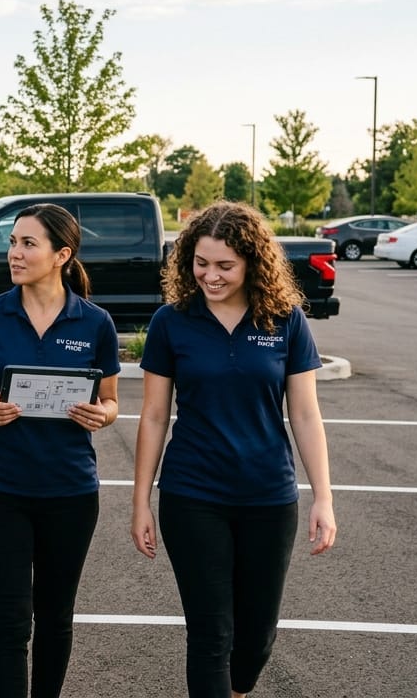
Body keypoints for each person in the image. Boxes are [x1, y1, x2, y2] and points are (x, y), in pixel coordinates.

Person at [130, 200, 337, 698]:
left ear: (252, 263)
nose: (211, 276)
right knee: (210, 634)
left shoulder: (284, 320)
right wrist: (140, 503)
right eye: (201, 264)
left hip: (268, 495)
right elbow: (155, 416)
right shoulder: (171, 322)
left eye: (225, 265)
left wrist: (323, 498)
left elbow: (305, 414)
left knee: (256, 637)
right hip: (193, 494)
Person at [0, 203, 120, 697]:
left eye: (28, 244)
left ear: (61, 254)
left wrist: (101, 415)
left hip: (69, 491)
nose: (15, 254)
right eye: (13, 243)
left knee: (55, 619)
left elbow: (110, 401)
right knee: (8, 623)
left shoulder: (95, 323)